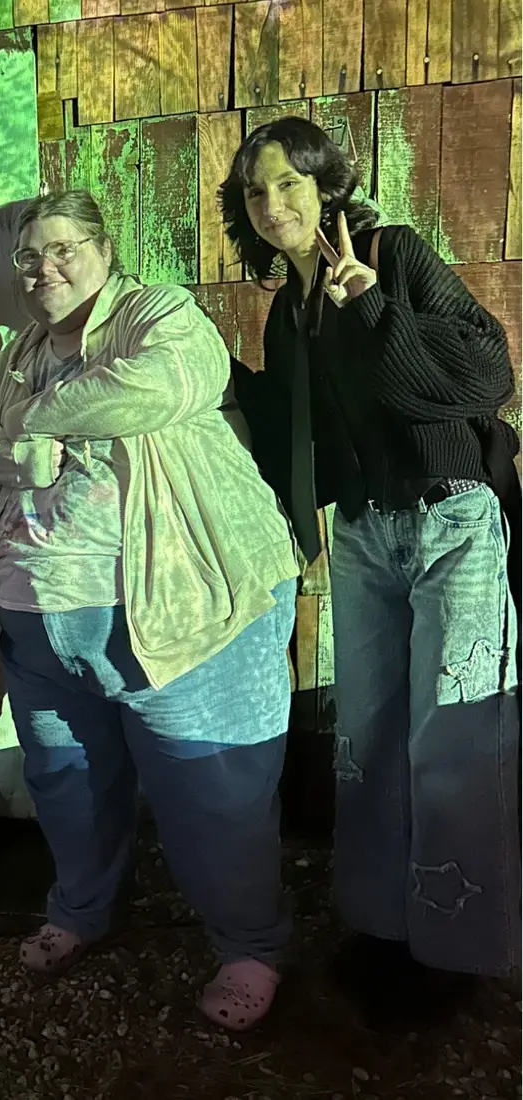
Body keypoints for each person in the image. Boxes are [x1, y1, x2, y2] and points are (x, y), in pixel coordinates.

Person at [0, 190, 300, 1030]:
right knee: (67, 784)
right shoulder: (17, 353)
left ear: (105, 248)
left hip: (179, 615)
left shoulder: (157, 313)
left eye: (62, 249)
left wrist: (24, 423)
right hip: (35, 625)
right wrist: (13, 452)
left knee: (213, 792)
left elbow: (166, 385)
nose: (44, 270)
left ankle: (250, 945)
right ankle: (84, 909)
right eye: (29, 257)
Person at [220, 118, 520, 1028]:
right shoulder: (287, 309)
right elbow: (292, 430)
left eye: (289, 186)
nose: (273, 207)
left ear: (327, 188)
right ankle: (387, 926)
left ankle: (456, 949)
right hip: (362, 533)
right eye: (255, 193)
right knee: (371, 736)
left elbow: (484, 377)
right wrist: (213, 380)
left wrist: (372, 307)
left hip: (451, 518)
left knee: (455, 743)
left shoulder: (393, 257)